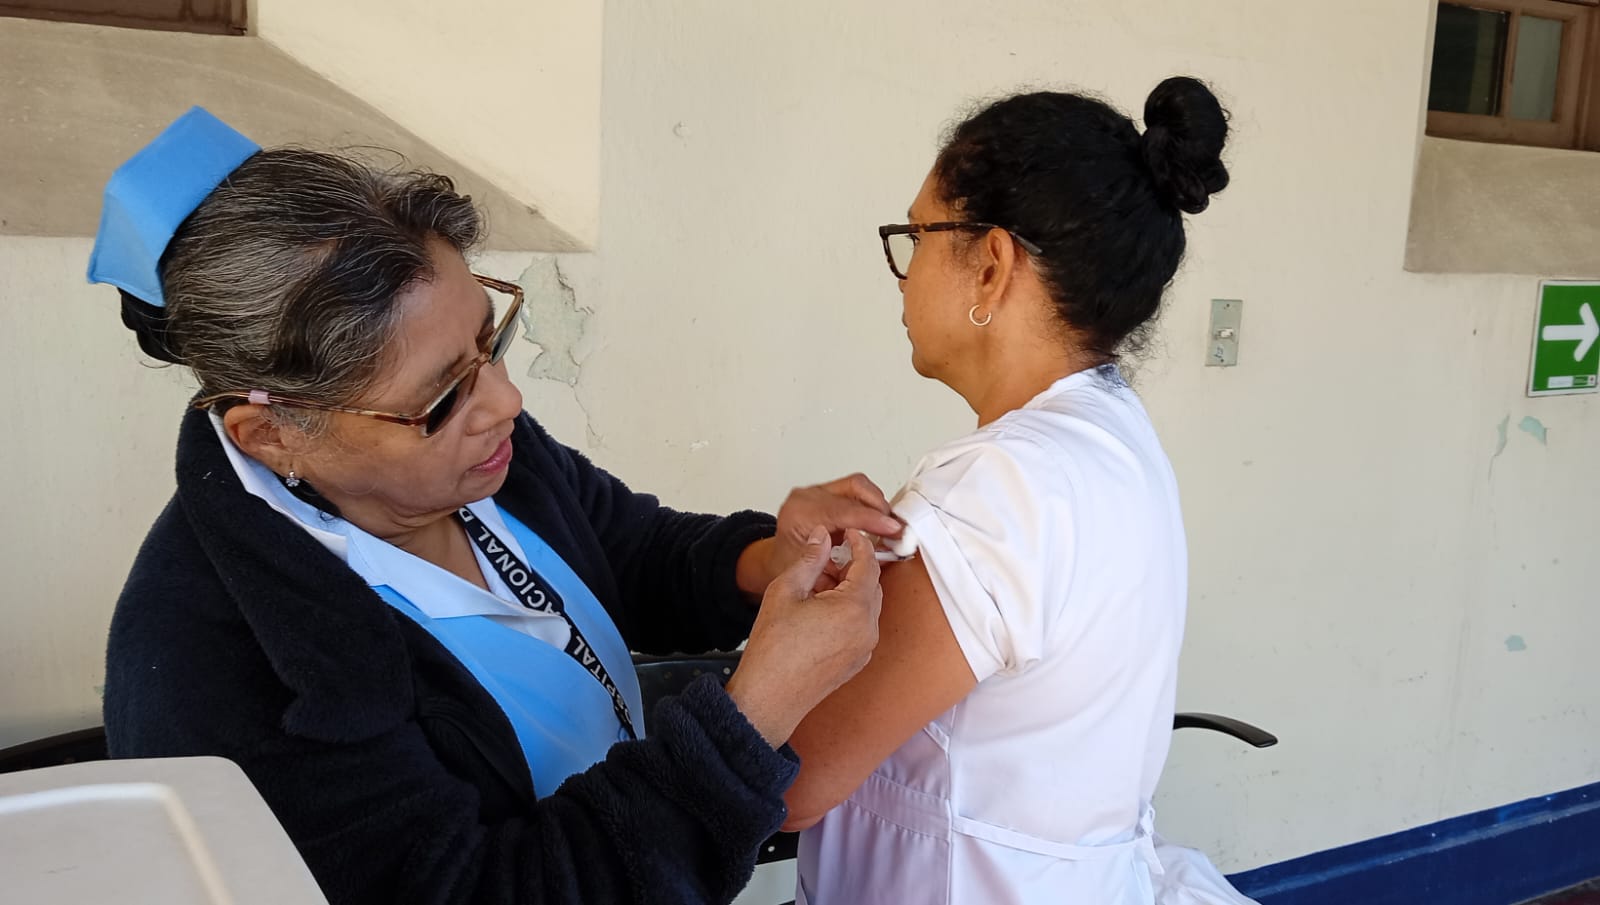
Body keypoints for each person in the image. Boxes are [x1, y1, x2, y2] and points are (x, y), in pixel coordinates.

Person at [92, 107, 900, 905]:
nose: (505, 400)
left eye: (491, 340)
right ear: (270, 434)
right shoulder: (223, 669)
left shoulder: (477, 451)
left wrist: (764, 562)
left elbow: (620, 545)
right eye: (441, 396)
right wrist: (751, 717)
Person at [782, 78, 1261, 904]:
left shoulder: (995, 488)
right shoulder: (1113, 434)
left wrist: (790, 583)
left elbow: (792, 780)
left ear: (991, 265)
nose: (903, 274)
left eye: (918, 237)